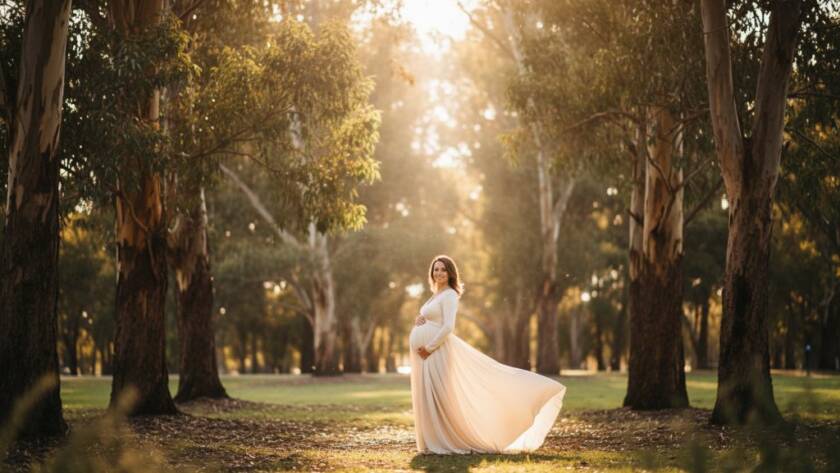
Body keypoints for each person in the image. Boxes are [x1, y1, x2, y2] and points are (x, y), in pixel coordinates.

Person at [409, 254, 566, 454]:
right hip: (426, 355)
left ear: (450, 274)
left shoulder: (449, 295)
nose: (438, 273)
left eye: (443, 269)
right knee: (428, 396)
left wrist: (428, 348)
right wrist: (420, 320)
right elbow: (434, 319)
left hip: (435, 352)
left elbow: (448, 326)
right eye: (436, 269)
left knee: (440, 397)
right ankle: (433, 440)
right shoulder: (436, 294)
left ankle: (447, 439)